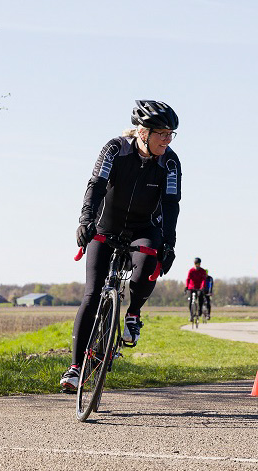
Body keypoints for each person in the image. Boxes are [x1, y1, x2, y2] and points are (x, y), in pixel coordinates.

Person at [60, 100, 181, 392]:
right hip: (106, 225)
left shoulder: (171, 162)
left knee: (148, 264)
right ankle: (76, 368)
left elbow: (170, 204)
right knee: (92, 294)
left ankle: (133, 314)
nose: (167, 139)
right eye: (162, 133)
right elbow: (96, 185)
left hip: (145, 229)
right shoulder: (115, 149)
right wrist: (85, 221)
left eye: (171, 134)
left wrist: (169, 243)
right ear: (143, 132)